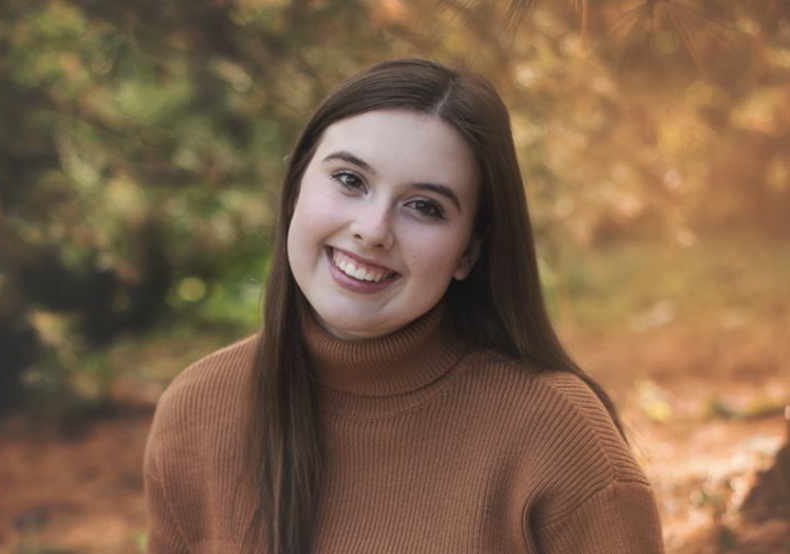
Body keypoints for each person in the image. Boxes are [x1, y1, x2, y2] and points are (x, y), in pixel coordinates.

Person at [144, 58, 665, 554]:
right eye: (350, 180)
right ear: (294, 190)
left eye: (424, 207)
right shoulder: (196, 410)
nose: (372, 231)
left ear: (468, 251)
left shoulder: (557, 437)